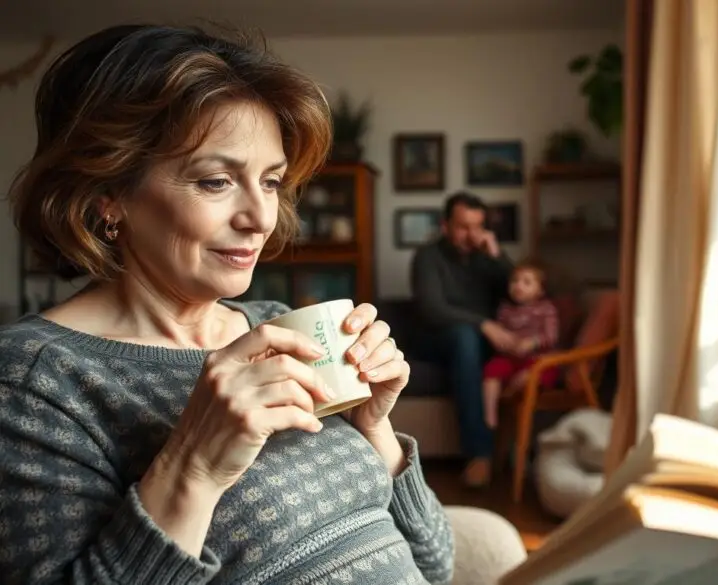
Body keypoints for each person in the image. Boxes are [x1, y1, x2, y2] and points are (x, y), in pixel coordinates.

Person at [0, 24, 452, 585]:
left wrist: (373, 426)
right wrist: (194, 465)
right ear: (106, 196)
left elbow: (436, 562)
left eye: (270, 182)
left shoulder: (271, 325)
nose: (261, 218)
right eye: (216, 182)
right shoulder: (32, 379)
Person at [410, 192, 517, 487]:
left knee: (500, 345)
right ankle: (480, 454)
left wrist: (497, 256)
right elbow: (433, 308)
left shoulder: (486, 257)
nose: (471, 235)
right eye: (463, 227)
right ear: (446, 225)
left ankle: (518, 452)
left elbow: (518, 293)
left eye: (477, 227)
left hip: (477, 341)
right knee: (465, 337)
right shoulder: (427, 256)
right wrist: (484, 324)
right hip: (437, 338)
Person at [481, 261, 560, 429]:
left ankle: (515, 390)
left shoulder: (546, 309)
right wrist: (506, 345)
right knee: (492, 369)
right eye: (515, 281)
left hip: (537, 359)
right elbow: (500, 336)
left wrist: (532, 343)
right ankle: (490, 416)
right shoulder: (505, 310)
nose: (519, 286)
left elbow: (551, 336)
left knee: (537, 371)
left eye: (526, 282)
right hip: (511, 359)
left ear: (540, 290)